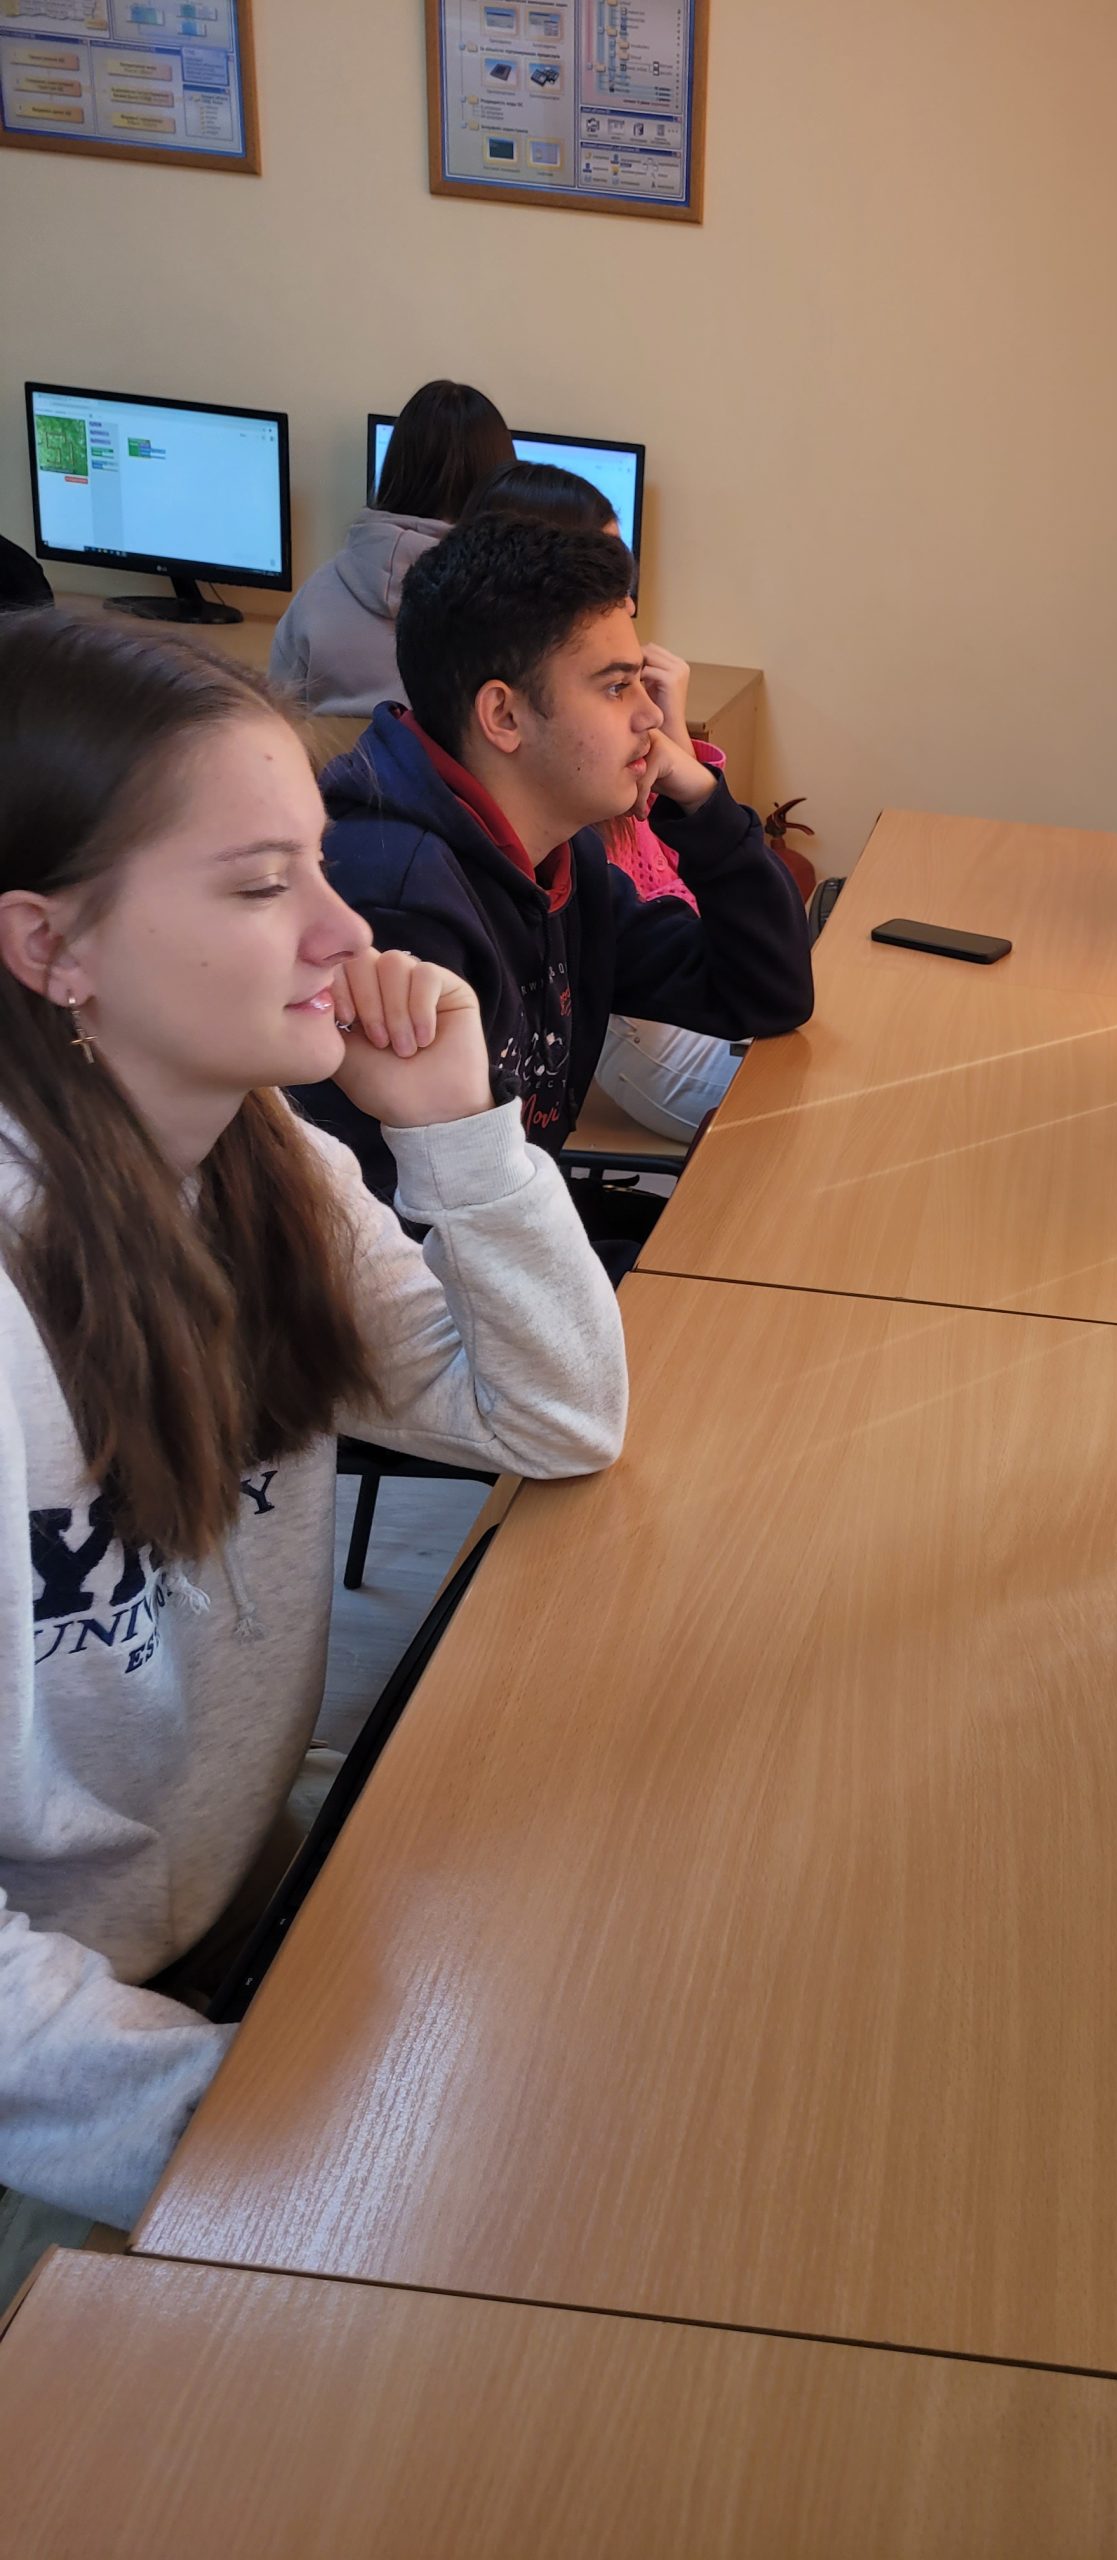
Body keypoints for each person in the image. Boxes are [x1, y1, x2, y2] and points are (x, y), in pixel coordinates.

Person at [0, 613, 628, 2231]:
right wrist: (283, 2151)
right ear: (50, 947)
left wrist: (463, 1136)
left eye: (321, 868)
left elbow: (557, 1416)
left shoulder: (266, 1156)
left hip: (225, 1905)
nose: (344, 931)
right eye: (260, 885)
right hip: (73, 2067)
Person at [294, 511, 812, 1205]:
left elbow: (767, 995)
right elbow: (409, 1226)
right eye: (616, 686)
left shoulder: (559, 857)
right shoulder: (395, 899)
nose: (651, 717)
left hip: (520, 1229)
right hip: (445, 1258)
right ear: (504, 717)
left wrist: (702, 803)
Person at [459, 459, 741, 1142]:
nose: (629, 603)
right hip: (638, 1025)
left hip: (667, 979)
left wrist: (684, 762)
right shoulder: (570, 796)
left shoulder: (581, 839)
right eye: (604, 575)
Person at [268, 380, 515, 717]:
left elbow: (276, 718)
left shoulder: (313, 598)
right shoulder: (516, 611)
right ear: (500, 477)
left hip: (331, 754)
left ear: (396, 466)